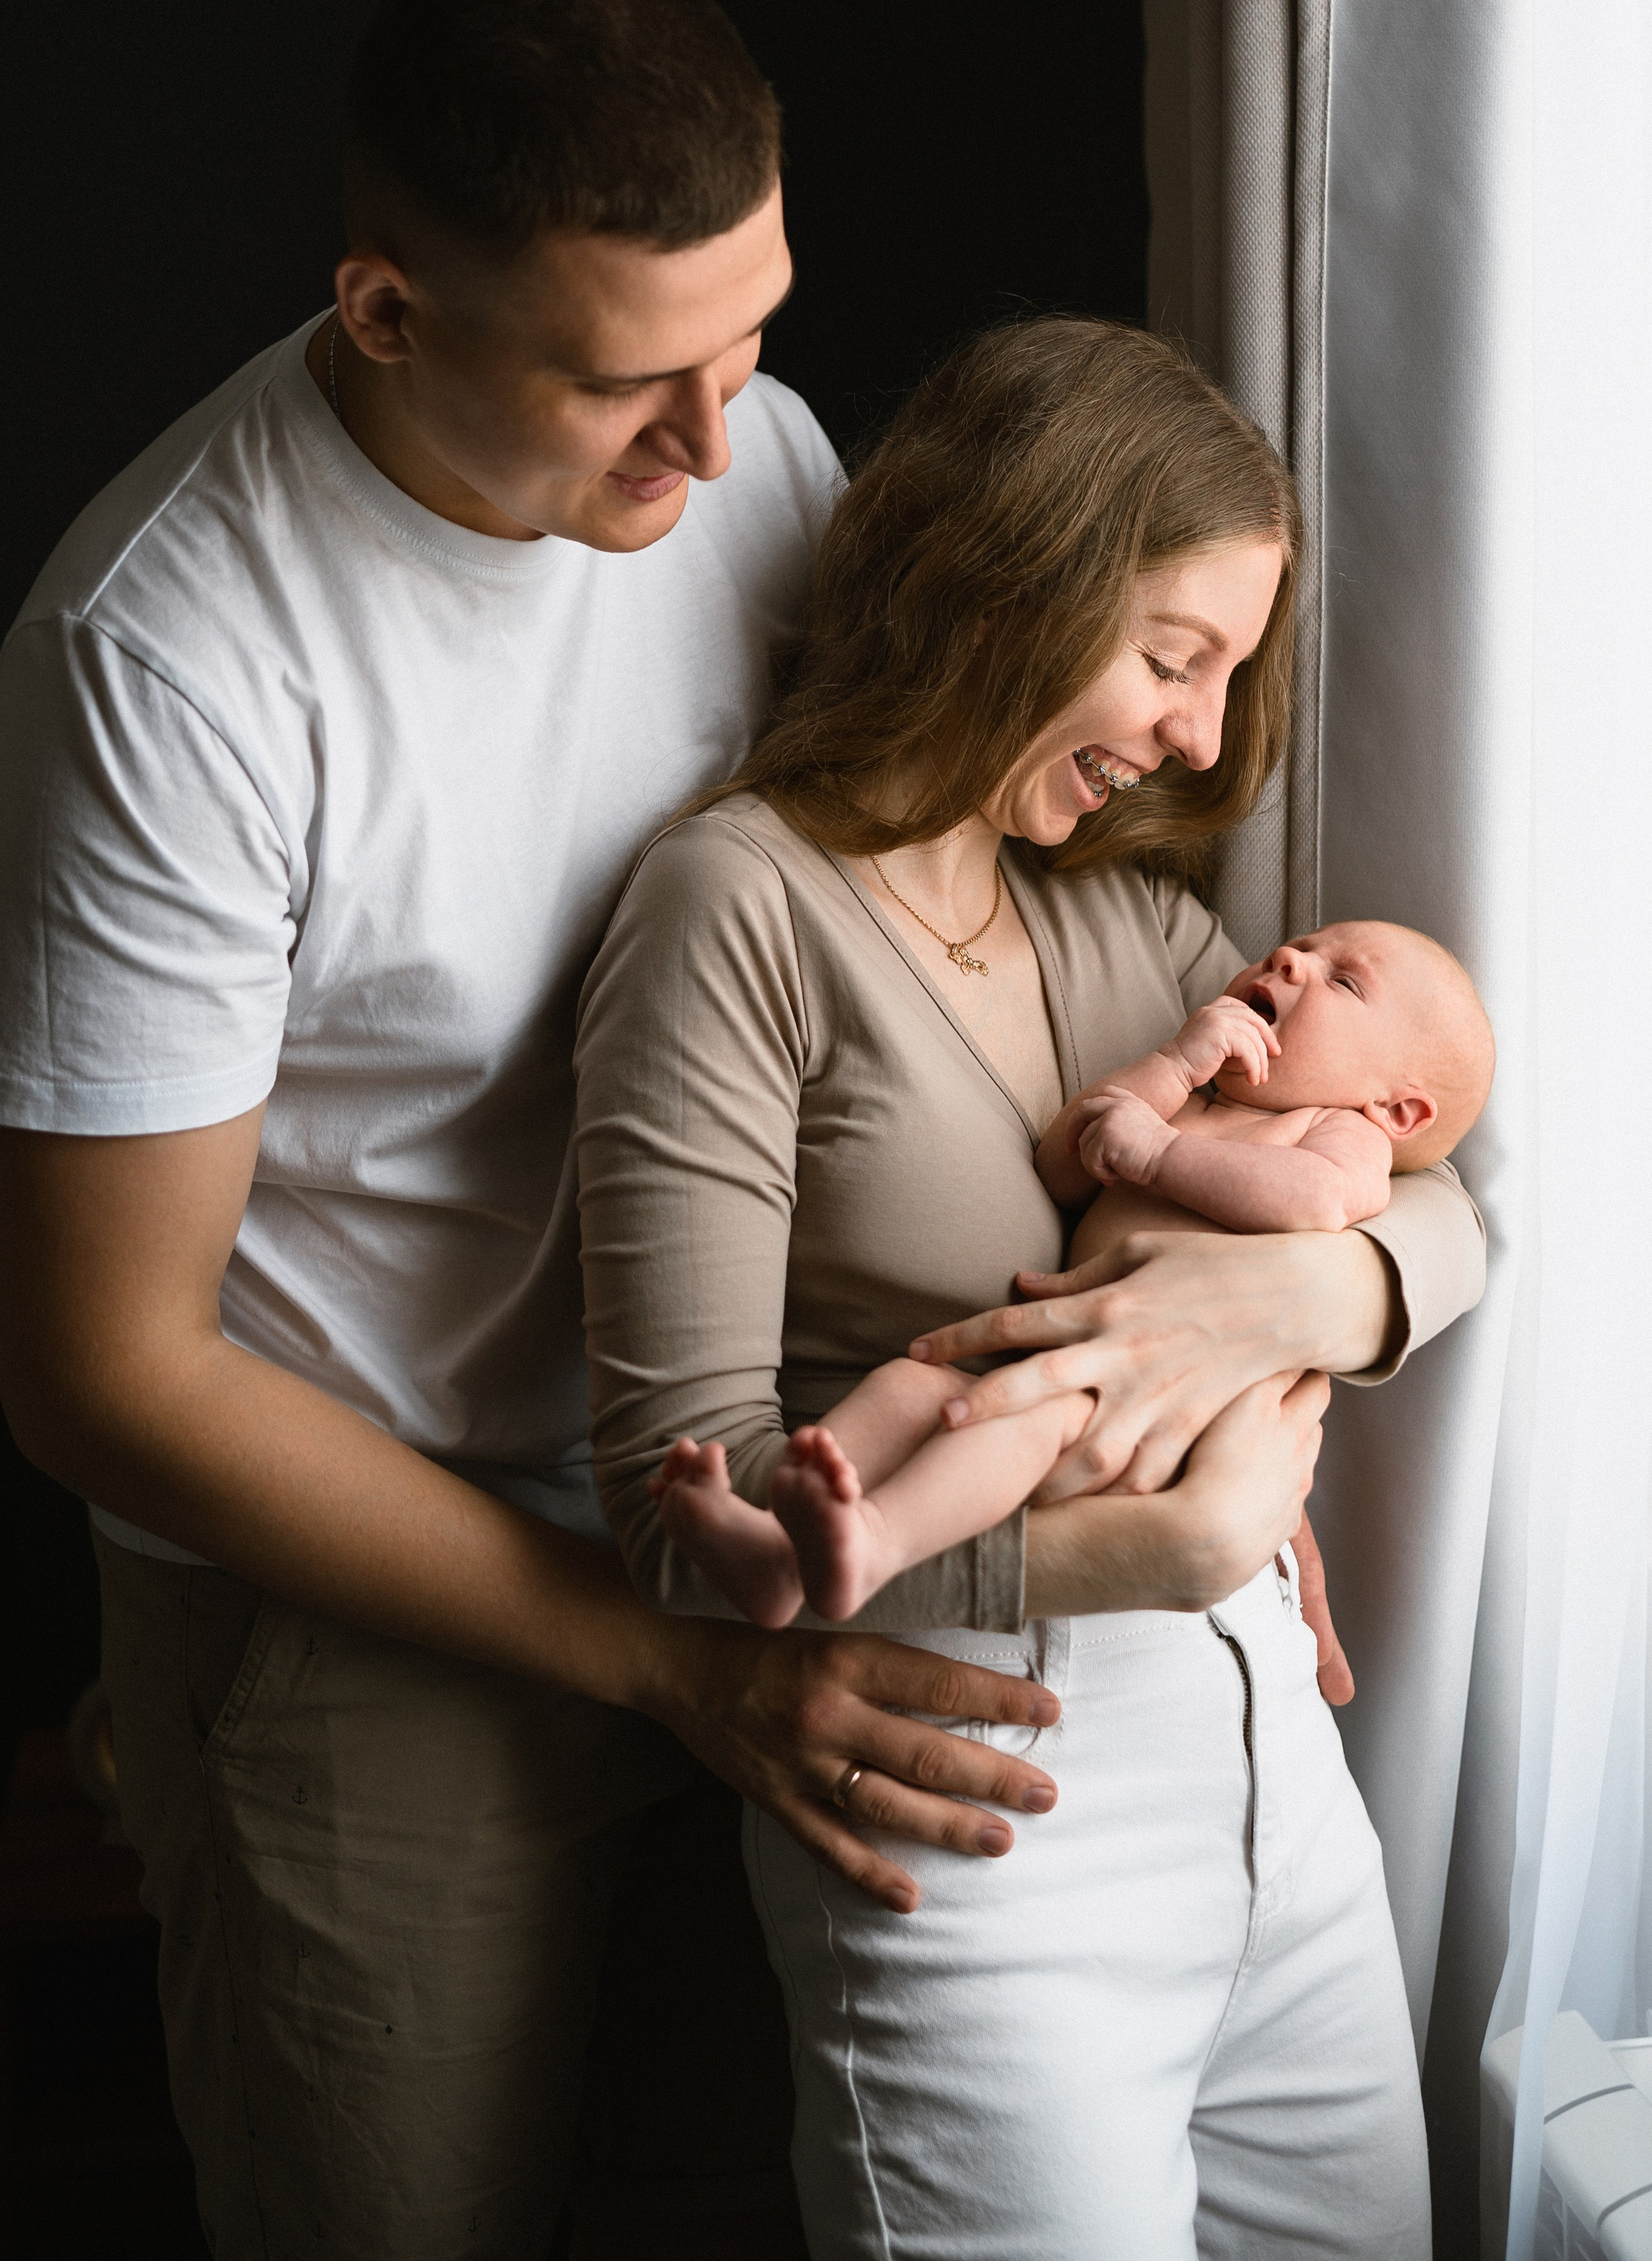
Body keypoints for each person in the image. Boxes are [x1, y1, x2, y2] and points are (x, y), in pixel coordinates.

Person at [0, 0, 1075, 2261]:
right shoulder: (167, 668)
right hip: (362, 1576)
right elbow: (102, 1376)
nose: (717, 431)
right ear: (385, 310)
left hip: (741, 1501)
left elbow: (895, 931)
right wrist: (648, 1659)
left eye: (751, 339)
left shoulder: (748, 449)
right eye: (624, 380)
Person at [575, 317, 1487, 2259]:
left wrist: (1297, 1312)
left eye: (1227, 678)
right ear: (1015, 575)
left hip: (1276, 1799)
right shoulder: (739, 909)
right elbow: (678, 1504)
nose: (1196, 737)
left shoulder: (1125, 918)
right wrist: (1164, 1547)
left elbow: (1436, 1187)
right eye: (1175, 660)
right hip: (980, 1816)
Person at [648, 924, 1494, 1627]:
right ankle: (774, 1553)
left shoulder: (1338, 1130)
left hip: (1154, 1406)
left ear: (1398, 1109)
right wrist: (1171, 1066)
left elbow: (1316, 1203)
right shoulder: (1195, 1094)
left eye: (1343, 984)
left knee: (1019, 1419)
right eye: (1299, 947)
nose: (1289, 962)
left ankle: (871, 1544)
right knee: (912, 1388)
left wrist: (1161, 1154)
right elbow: (1064, 1162)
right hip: (1064, 1357)